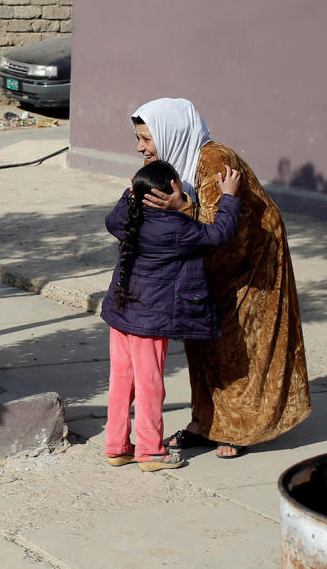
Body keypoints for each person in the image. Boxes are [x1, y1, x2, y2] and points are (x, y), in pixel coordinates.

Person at [133, 97, 312, 458]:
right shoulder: (183, 162)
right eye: (138, 138)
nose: (140, 148)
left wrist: (182, 208)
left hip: (251, 267)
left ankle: (238, 428)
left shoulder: (214, 160)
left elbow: (221, 228)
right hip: (213, 267)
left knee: (237, 346)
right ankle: (204, 422)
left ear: (171, 132)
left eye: (146, 139)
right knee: (202, 342)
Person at [101, 160, 242, 471]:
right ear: (174, 189)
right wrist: (229, 196)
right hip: (150, 321)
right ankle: (150, 450)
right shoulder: (176, 227)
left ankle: (117, 446)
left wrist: (130, 193)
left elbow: (111, 220)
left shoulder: (127, 214)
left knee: (122, 381)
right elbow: (218, 234)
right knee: (150, 385)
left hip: (121, 313)